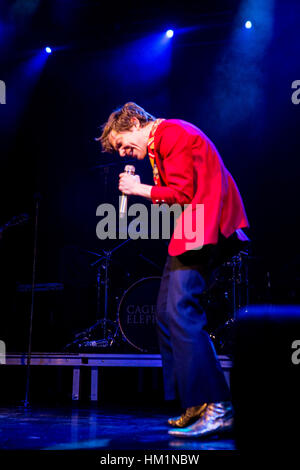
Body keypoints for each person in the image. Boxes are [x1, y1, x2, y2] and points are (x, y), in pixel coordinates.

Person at [99, 102, 249, 438]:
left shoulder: (172, 134)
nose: (125, 153)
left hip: (206, 227)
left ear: (136, 122)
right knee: (167, 313)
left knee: (181, 311)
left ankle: (218, 406)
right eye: (120, 150)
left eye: (123, 143)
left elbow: (183, 193)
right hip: (192, 230)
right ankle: (197, 404)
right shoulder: (160, 142)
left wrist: (139, 190)